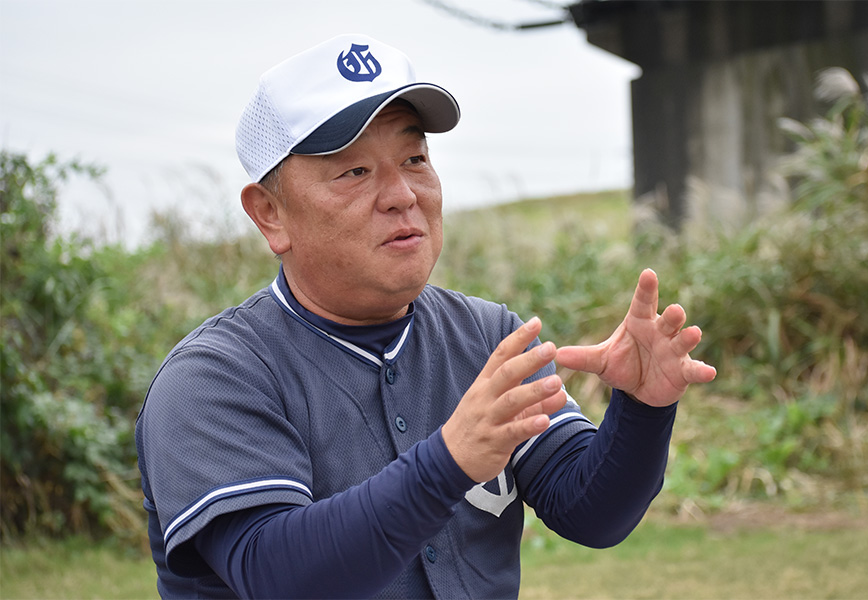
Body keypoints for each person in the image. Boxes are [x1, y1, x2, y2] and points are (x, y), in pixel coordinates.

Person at [135, 34, 716, 599]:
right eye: (354, 172)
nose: (401, 194)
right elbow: (278, 575)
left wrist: (642, 410)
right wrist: (449, 461)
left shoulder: (488, 337)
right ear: (270, 215)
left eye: (414, 158)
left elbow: (591, 512)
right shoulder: (213, 378)